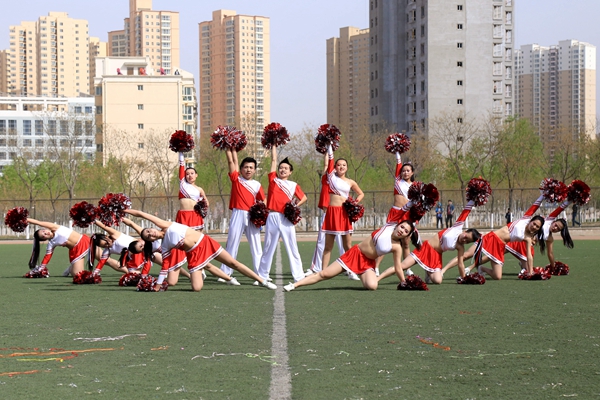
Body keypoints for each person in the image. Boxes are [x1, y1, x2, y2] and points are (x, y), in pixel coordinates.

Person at [125, 209, 276, 291]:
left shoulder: (165, 224)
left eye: (149, 231)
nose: (151, 234)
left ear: (152, 228)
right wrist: (158, 285)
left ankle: (262, 281)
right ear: (151, 241)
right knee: (196, 287)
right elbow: (165, 266)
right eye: (148, 236)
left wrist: (125, 210)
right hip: (194, 254)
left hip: (205, 243)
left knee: (233, 263)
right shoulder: (165, 246)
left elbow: (142, 214)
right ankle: (229, 279)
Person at [284, 220, 417, 292]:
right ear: (398, 225)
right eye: (402, 227)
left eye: (406, 231)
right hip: (355, 254)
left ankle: (363, 275)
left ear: (407, 235)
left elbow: (398, 267)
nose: (402, 231)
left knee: (372, 286)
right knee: (324, 274)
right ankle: (295, 285)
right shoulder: (388, 226)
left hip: (367, 263)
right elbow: (404, 207)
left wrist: (404, 282)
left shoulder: (397, 247)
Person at [378, 200, 481, 284]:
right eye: (466, 236)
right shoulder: (457, 227)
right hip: (426, 248)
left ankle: (428, 271)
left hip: (436, 256)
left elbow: (460, 263)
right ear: (465, 231)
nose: (464, 240)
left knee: (438, 280)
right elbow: (466, 211)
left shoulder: (460, 247)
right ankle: (378, 278)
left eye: (467, 241)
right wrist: (473, 199)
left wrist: (464, 278)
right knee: (402, 266)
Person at [256, 147, 308, 283]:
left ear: (290, 172)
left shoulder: (293, 185)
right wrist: (273, 144)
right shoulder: (273, 180)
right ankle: (262, 276)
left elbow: (304, 198)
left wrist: (294, 206)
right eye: (281, 168)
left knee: (292, 246)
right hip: (272, 216)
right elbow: (273, 159)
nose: (283, 170)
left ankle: (299, 276)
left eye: (286, 168)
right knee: (268, 247)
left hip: (286, 218)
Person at [218, 147, 265, 280]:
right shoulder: (236, 179)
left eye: (251, 167)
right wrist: (229, 148)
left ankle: (260, 275)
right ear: (241, 169)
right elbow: (231, 162)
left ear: (254, 170)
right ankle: (225, 273)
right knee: (232, 244)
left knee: (256, 246)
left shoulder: (257, 184)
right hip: (238, 214)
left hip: (252, 216)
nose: (248, 170)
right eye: (245, 167)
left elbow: (263, 200)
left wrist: (260, 214)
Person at [320, 144, 364, 279]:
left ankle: (351, 270)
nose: (341, 167)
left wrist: (354, 203)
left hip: (344, 214)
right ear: (335, 167)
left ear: (347, 167)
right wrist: (329, 146)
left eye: (344, 165)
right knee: (328, 246)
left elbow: (361, 194)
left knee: (347, 245)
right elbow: (329, 161)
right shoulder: (331, 177)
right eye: (339, 165)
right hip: (332, 213)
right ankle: (323, 272)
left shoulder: (351, 182)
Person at [305, 171, 345, 276]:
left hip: (340, 215)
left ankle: (348, 268)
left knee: (343, 244)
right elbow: (327, 167)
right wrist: (328, 158)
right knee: (322, 243)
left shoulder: (343, 183)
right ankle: (316, 268)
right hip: (327, 214)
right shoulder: (327, 180)